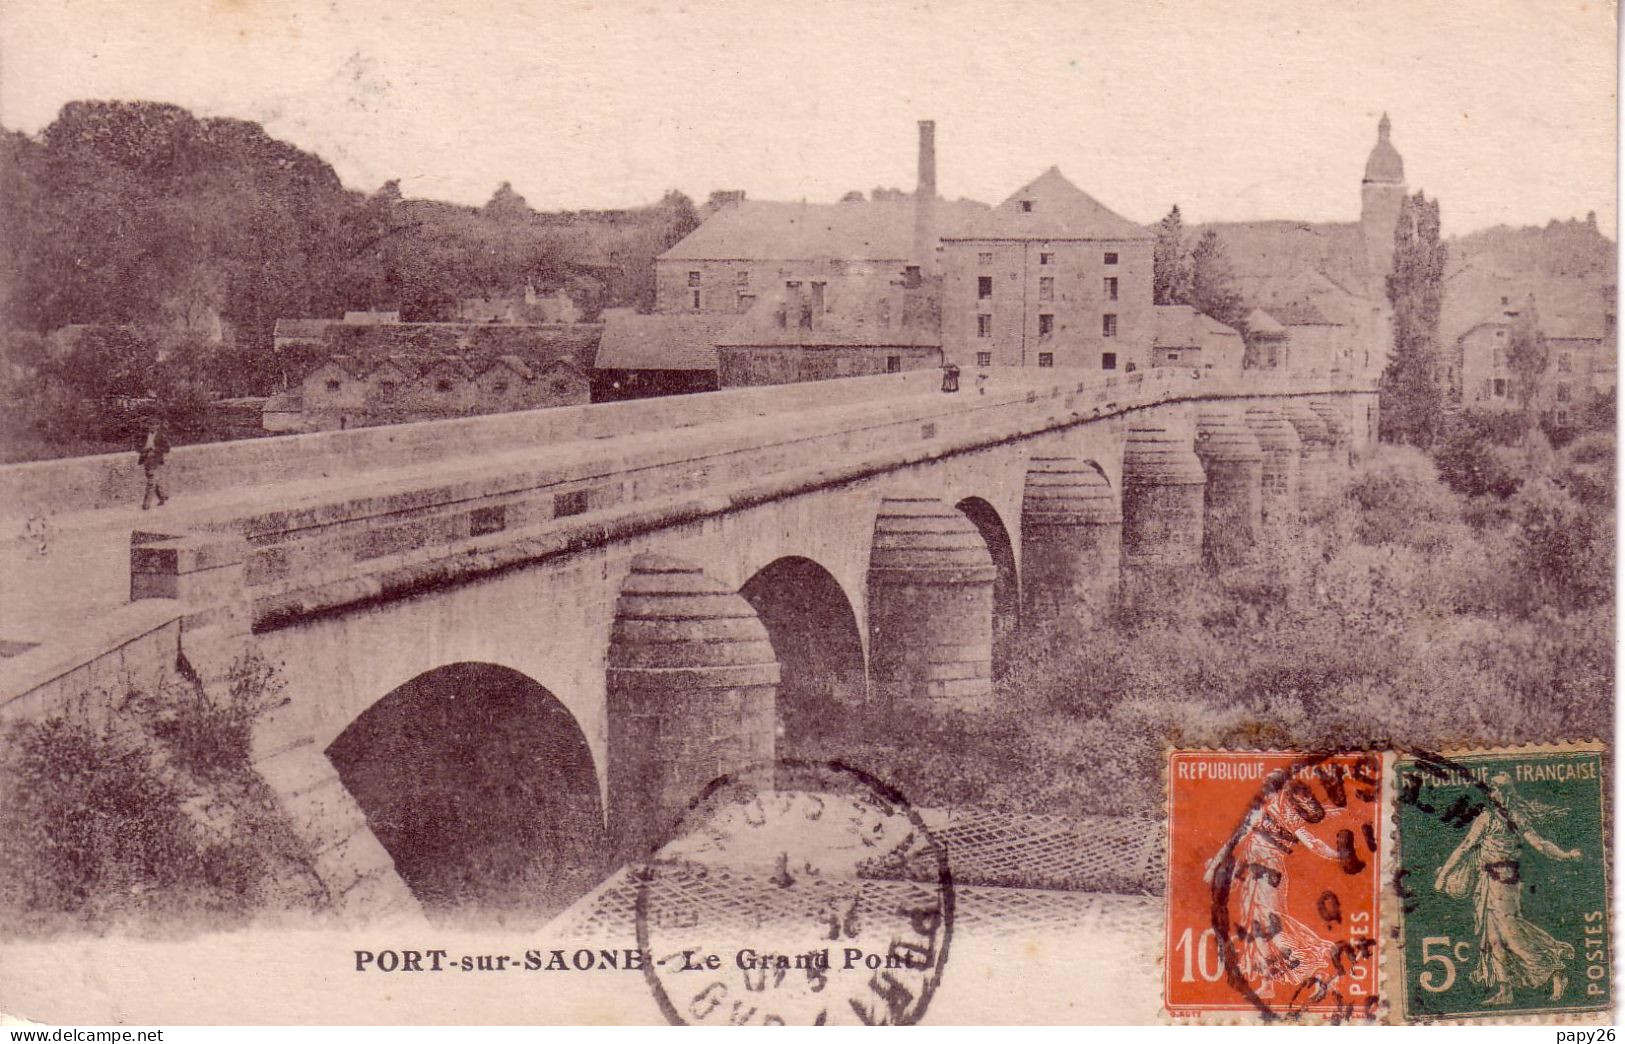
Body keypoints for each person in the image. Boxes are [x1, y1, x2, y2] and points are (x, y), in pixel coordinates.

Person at [1434, 773, 1582, 1005]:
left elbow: (1540, 844)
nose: (1493, 794)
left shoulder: (1515, 817)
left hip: (1505, 881)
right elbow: (1465, 847)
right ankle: (1505, 989)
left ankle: (1553, 967)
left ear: (1505, 793)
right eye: (1492, 790)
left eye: (1496, 789)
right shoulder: (1486, 818)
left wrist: (1565, 855)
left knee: (1511, 930)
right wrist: (1444, 875)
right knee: (1493, 935)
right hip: (1486, 880)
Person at [1203, 779, 1352, 1003]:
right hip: (1256, 875)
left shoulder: (1289, 818)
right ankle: (1267, 984)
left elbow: (1314, 844)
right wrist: (1215, 868)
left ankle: (1316, 969)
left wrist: (1339, 856)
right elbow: (1235, 842)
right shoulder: (1264, 811)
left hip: (1269, 876)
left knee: (1273, 928)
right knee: (1256, 928)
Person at [138, 420, 171, 510]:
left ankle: (146, 504)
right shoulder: (144, 435)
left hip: (155, 459)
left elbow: (167, 449)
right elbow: (138, 446)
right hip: (146, 459)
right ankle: (162, 497)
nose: (151, 426)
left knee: (151, 481)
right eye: (150, 424)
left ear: (158, 425)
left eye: (154, 424)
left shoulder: (161, 436)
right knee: (152, 479)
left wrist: (154, 448)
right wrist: (143, 449)